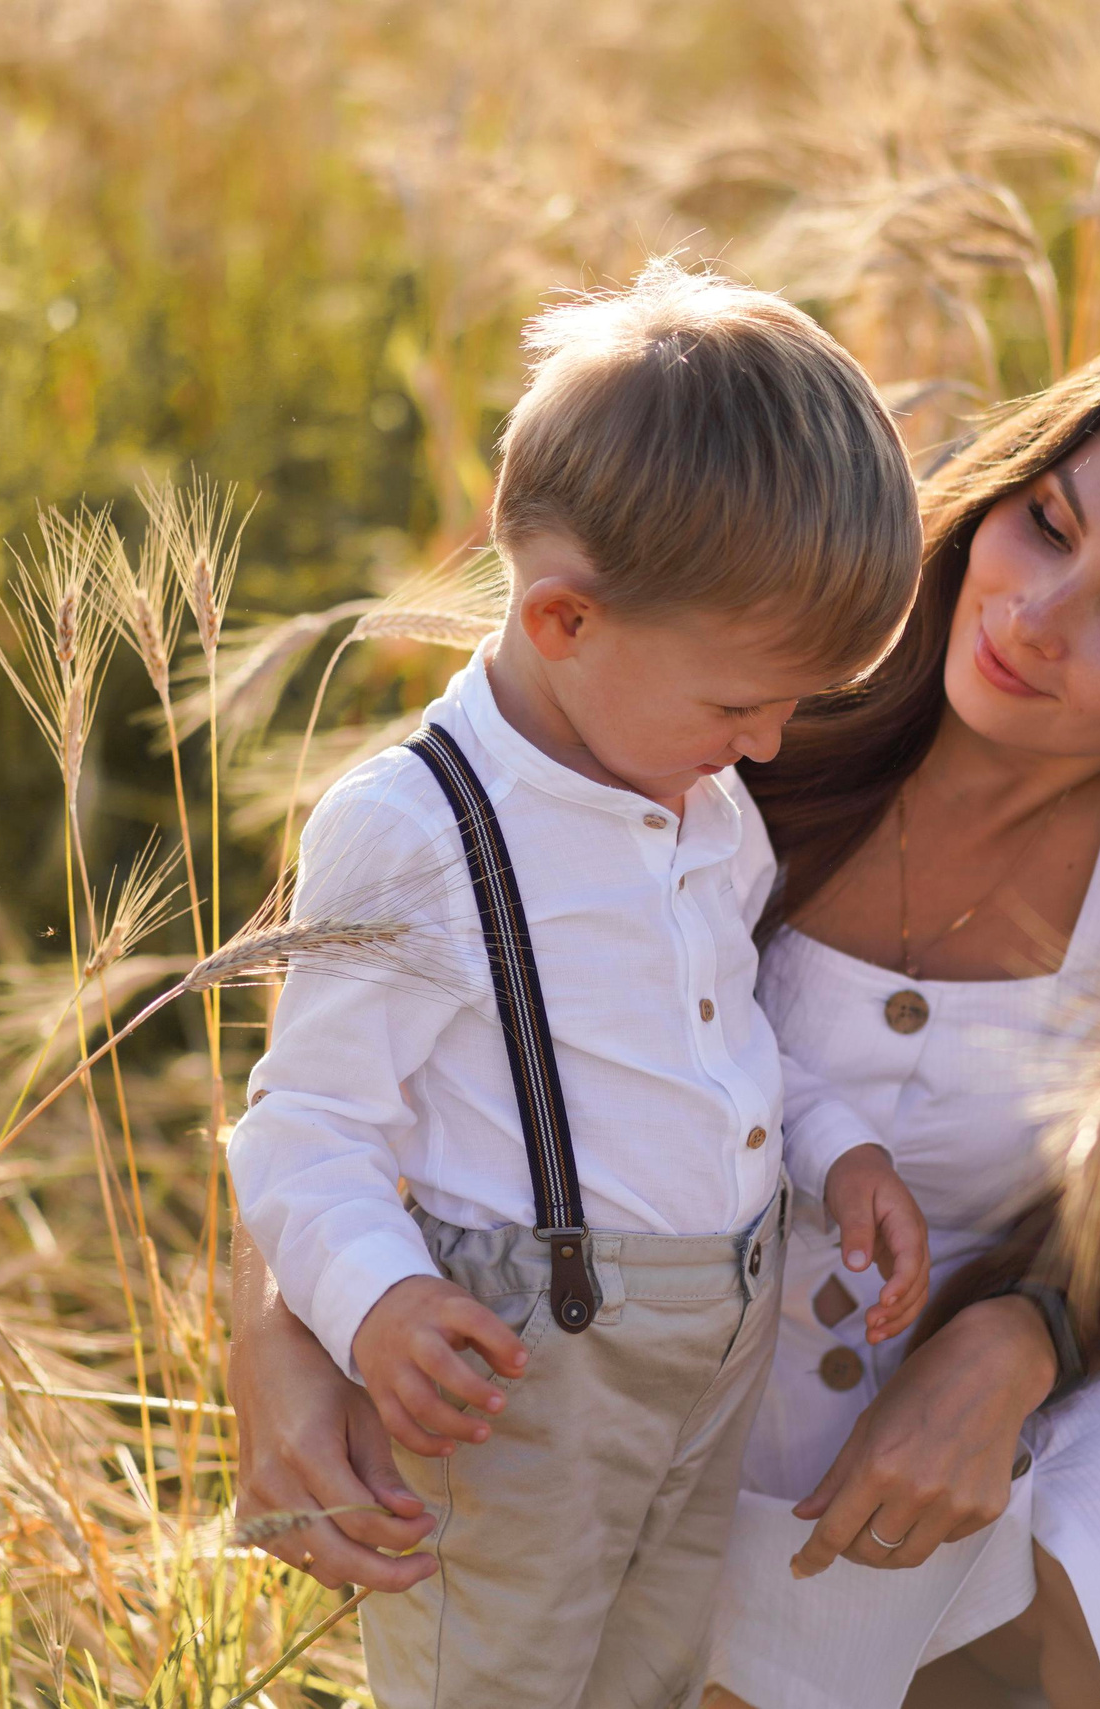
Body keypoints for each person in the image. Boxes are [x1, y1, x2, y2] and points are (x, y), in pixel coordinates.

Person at [230, 323, 1100, 1709]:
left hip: (1012, 1420)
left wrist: (1027, 1330)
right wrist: (281, 1328)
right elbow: (324, 1056)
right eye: (1046, 524)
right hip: (640, 1394)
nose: (1030, 617)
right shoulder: (722, 681)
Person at [224, 259, 935, 1709]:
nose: (774, 746)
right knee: (499, 1675)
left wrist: (834, 1144)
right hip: (520, 1371)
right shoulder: (414, 832)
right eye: (744, 702)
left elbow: (723, 1040)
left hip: (714, 1346)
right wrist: (375, 1305)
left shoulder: (699, 797)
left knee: (653, 1667)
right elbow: (304, 1131)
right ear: (564, 622)